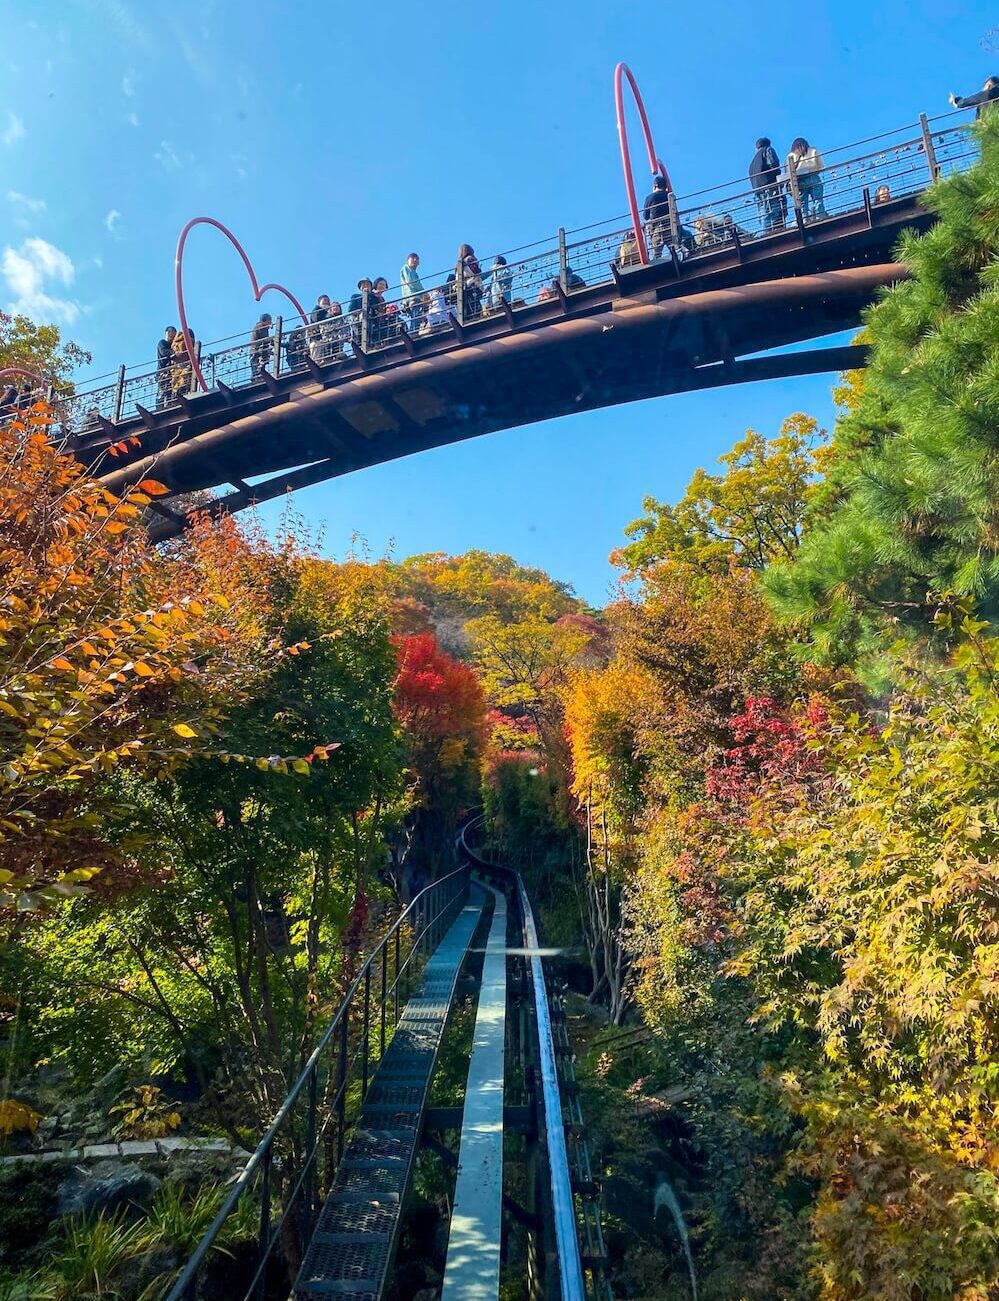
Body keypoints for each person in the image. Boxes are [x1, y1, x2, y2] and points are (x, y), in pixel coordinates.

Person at [749, 136, 786, 232]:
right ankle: (768, 233)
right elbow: (773, 164)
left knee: (765, 212)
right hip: (769, 186)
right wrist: (778, 176)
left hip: (758, 190)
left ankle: (766, 232)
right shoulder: (768, 150)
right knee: (772, 211)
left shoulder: (753, 162)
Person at [788, 137, 826, 220]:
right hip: (814, 177)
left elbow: (788, 173)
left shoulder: (791, 155)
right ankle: (821, 216)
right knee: (818, 200)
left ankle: (804, 219)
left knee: (802, 203)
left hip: (799, 181)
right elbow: (821, 166)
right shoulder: (813, 151)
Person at [642, 174, 674, 259]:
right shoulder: (669, 195)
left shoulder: (650, 197)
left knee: (656, 255)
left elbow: (645, 216)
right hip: (671, 226)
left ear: (655, 185)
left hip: (657, 229)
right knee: (675, 249)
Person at [455, 244, 482, 318]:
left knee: (467, 308)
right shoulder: (470, 259)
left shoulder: (459, 263)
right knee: (475, 307)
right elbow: (475, 272)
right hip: (472, 285)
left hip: (463, 287)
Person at [400, 253, 425, 333]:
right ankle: (413, 334)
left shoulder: (413, 272)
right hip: (413, 297)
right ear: (408, 260)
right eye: (413, 258)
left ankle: (413, 332)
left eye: (417, 259)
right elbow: (411, 282)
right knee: (415, 317)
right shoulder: (406, 268)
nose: (415, 260)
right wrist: (424, 292)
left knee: (415, 317)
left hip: (413, 298)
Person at [156, 325, 177, 408]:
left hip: (172, 372)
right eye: (169, 332)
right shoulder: (162, 343)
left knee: (170, 391)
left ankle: (169, 405)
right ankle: (159, 408)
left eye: (173, 333)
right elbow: (163, 352)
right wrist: (173, 353)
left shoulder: (174, 345)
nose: (171, 335)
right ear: (166, 333)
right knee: (162, 391)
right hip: (163, 372)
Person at [171, 328, 195, 396]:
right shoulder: (189, 341)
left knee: (176, 383)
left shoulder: (174, 342)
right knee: (185, 382)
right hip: (186, 365)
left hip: (176, 367)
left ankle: (174, 395)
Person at [249, 312, 272, 378]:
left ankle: (256, 379)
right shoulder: (261, 327)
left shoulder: (260, 327)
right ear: (266, 320)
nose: (271, 322)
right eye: (270, 320)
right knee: (258, 371)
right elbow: (265, 339)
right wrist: (274, 340)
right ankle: (257, 380)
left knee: (257, 371)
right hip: (257, 353)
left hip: (256, 352)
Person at [309, 294, 331, 361]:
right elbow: (316, 319)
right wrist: (328, 315)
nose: (327, 302)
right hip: (317, 339)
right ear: (319, 303)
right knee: (317, 359)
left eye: (328, 301)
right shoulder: (316, 310)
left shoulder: (327, 312)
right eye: (325, 300)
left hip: (326, 339)